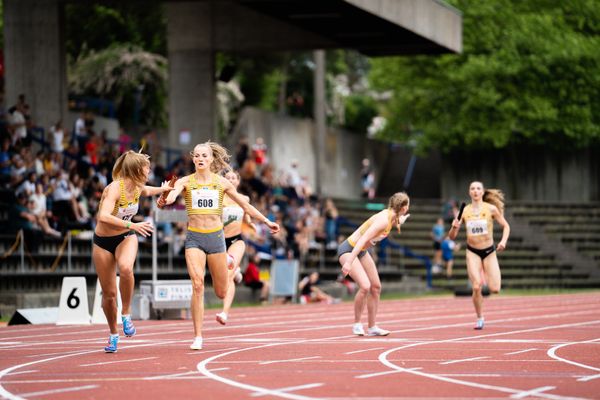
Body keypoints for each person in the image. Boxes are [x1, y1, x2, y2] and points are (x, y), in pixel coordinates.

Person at [157, 141, 279, 350]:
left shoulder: (221, 183)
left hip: (216, 239)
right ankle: (197, 336)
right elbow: (172, 197)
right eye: (197, 155)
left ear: (211, 159)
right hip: (194, 238)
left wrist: (266, 221)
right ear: (193, 159)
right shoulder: (186, 181)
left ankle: (233, 268)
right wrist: (164, 197)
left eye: (204, 155)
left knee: (221, 292)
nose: (200, 158)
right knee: (197, 285)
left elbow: (245, 205)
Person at [94, 150, 173, 353]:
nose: (149, 170)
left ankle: (126, 314)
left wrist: (163, 189)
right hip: (103, 242)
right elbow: (103, 216)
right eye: (146, 168)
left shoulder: (137, 187)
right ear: (136, 170)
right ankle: (113, 334)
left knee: (126, 268)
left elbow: (146, 190)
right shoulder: (114, 189)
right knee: (109, 295)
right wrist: (133, 225)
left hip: (125, 238)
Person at [338, 192, 411, 336]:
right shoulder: (383, 220)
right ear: (403, 207)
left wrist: (401, 220)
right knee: (365, 286)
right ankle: (357, 324)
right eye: (407, 206)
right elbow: (362, 239)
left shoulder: (392, 217)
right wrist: (349, 262)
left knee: (376, 287)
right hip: (350, 249)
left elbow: (396, 221)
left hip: (362, 251)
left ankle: (372, 327)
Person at [448, 181, 510, 330]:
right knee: (476, 286)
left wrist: (503, 241)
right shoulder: (464, 211)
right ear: (469, 192)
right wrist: (454, 227)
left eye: (478, 188)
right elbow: (452, 237)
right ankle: (480, 318)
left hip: (489, 251)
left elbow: (506, 226)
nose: (475, 191)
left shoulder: (491, 209)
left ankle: (488, 278)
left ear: (482, 192)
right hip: (472, 252)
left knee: (495, 289)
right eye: (472, 189)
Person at [215, 169, 257, 325]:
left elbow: (246, 214)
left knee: (229, 276)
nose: (231, 180)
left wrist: (250, 223)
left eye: (234, 177)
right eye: (228, 177)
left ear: (238, 181)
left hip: (236, 240)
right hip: (218, 241)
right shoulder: (218, 196)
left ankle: (224, 313)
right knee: (221, 278)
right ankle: (237, 269)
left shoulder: (244, 198)